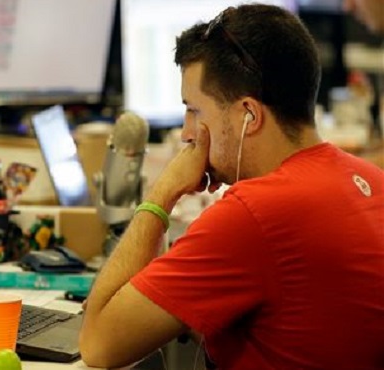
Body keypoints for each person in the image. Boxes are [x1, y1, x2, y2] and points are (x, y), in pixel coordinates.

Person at [79, 4, 384, 369]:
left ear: (248, 115)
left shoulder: (253, 214)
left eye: (195, 111)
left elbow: (98, 346)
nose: (187, 134)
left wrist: (163, 191)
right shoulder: (371, 180)